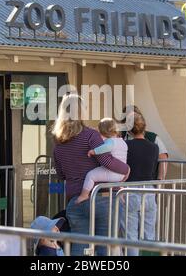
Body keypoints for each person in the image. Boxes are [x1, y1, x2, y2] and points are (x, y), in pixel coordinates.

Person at [52, 94, 129, 256]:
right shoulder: (91, 135)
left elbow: (61, 174)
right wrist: (126, 169)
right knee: (105, 249)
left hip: (76, 200)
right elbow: (107, 161)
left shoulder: (59, 142)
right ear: (81, 112)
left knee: (79, 248)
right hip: (102, 198)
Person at [120, 112, 159, 256]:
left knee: (130, 236)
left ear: (129, 129)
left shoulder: (125, 145)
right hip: (149, 190)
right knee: (149, 234)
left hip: (129, 190)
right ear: (144, 127)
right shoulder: (154, 148)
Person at [76, 118, 128, 204]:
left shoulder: (110, 141)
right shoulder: (123, 142)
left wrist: (94, 151)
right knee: (115, 185)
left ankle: (84, 195)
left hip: (112, 172)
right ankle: (121, 196)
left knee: (91, 175)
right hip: (121, 175)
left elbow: (106, 147)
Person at [121, 105, 169, 180]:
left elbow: (163, 158)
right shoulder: (120, 136)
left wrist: (160, 181)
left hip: (147, 181)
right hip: (127, 181)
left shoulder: (153, 137)